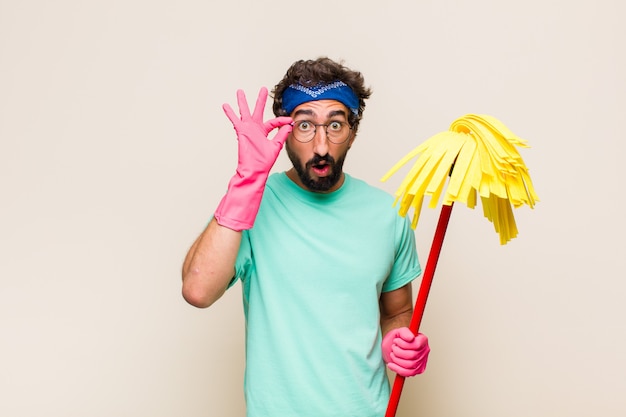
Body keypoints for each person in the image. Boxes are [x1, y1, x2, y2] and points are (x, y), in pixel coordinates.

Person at [182, 57, 430, 417]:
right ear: (283, 131)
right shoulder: (252, 205)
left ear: (353, 130)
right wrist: (245, 183)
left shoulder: (389, 214)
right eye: (304, 126)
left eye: (335, 124)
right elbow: (197, 290)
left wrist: (398, 341)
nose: (321, 147)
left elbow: (398, 311)